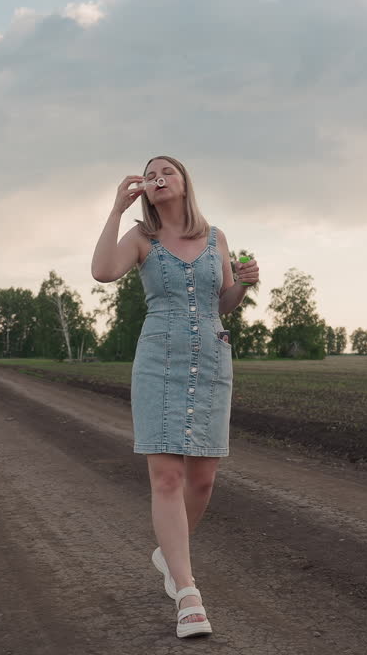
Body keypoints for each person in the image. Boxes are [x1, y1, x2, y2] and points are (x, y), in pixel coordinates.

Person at [90, 155, 260, 638]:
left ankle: (168, 555)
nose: (158, 176)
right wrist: (115, 211)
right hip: (158, 359)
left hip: (210, 358)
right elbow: (103, 272)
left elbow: (220, 301)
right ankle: (188, 596)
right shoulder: (141, 238)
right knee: (166, 477)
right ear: (144, 189)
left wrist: (243, 286)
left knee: (202, 480)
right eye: (150, 174)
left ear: (184, 181)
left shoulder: (216, 238)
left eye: (166, 169)